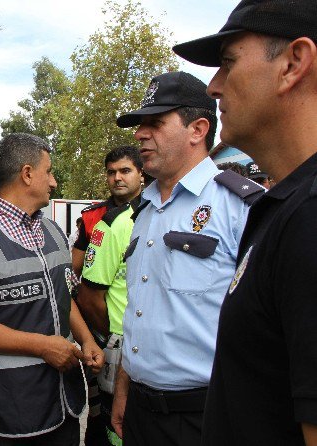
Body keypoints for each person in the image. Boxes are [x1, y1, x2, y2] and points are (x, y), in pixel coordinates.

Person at [173, 1, 317, 444]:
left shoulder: (310, 217)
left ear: (293, 64)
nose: (214, 86)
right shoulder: (285, 207)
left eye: (228, 63)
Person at [110, 71, 264, 446]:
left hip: (207, 415)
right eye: (139, 125)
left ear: (197, 129)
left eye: (155, 123)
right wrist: (124, 388)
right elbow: (141, 311)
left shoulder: (239, 207)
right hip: (141, 412)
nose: (140, 134)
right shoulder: (144, 212)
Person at [0, 132, 104, 445]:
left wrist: (87, 340)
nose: (54, 181)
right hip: (10, 410)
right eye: (49, 171)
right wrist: (43, 346)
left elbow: (62, 297)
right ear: (27, 174)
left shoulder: (52, 231)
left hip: (63, 406)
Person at [77, 145, 143, 446]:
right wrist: (110, 337)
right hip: (109, 337)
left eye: (125, 171)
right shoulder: (96, 220)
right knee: (104, 420)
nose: (117, 178)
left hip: (146, 343)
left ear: (141, 174)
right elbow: (77, 280)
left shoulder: (158, 210)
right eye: (111, 172)